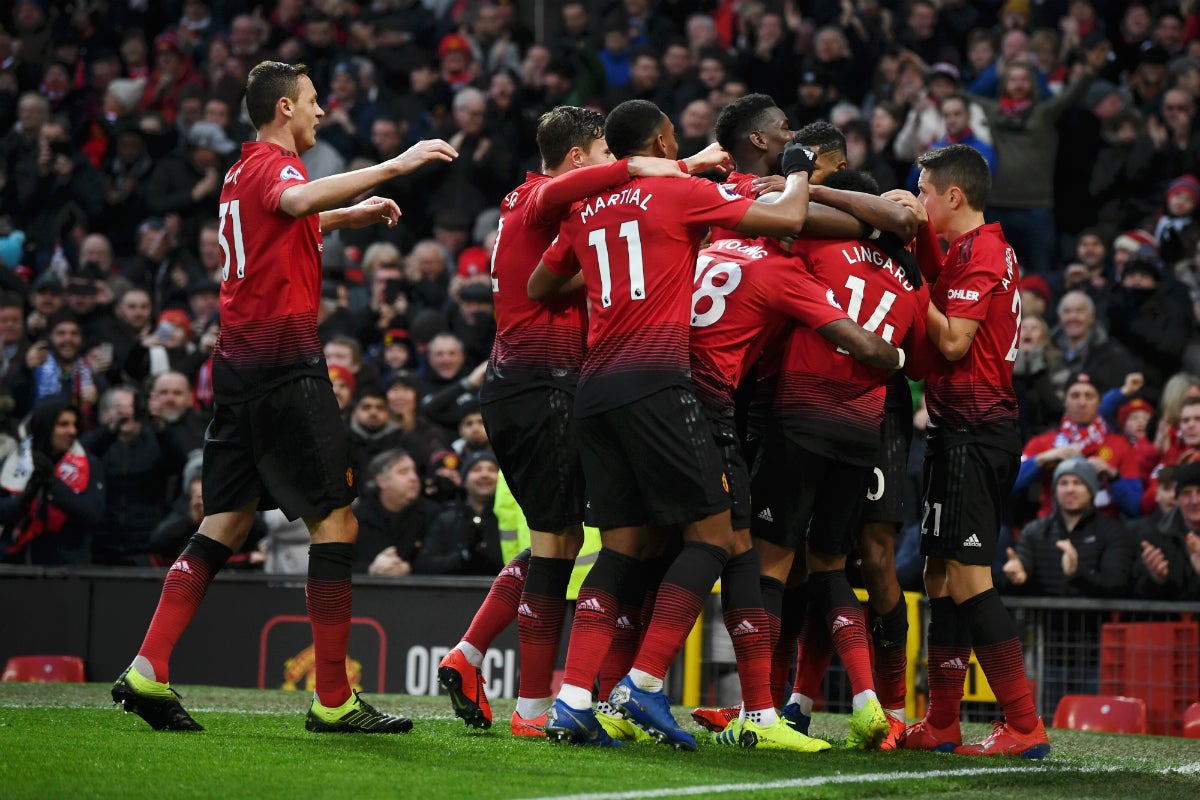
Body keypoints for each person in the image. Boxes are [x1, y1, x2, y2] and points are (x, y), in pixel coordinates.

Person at [111, 61, 457, 733]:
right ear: (281, 109)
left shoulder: (242, 172)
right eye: (312, 102)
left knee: (226, 522)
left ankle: (148, 668)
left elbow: (283, 227)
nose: (321, 112)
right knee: (337, 521)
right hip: (284, 367)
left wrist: (350, 215)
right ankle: (333, 698)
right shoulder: (277, 167)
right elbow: (295, 203)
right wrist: (397, 164)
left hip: (238, 366)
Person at [529, 98, 815, 749]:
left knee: (622, 548)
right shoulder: (681, 194)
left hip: (593, 392)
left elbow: (544, 287)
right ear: (663, 139)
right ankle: (644, 684)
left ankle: (573, 699)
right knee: (716, 534)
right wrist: (796, 168)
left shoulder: (586, 208)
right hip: (657, 385)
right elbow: (790, 216)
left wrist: (607, 286)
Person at [438, 105, 710, 737]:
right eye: (601, 153)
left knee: (550, 540)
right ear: (579, 157)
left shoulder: (529, 201)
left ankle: (471, 653)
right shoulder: (541, 196)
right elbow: (580, 191)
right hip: (545, 384)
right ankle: (533, 706)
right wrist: (664, 164)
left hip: (522, 382)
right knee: (557, 545)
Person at [884, 143, 1050, 758]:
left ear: (953, 195)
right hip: (955, 432)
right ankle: (945, 723)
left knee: (969, 578)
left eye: (924, 190)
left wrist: (907, 268)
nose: (920, 200)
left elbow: (952, 341)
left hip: (977, 432)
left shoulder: (982, 252)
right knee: (938, 576)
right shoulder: (965, 252)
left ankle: (1025, 726)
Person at [1013, 372, 1142, 520]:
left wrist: (1113, 476)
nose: (1082, 402)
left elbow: (1135, 508)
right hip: (1050, 529)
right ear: (1064, 401)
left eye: (1089, 396)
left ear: (1099, 403)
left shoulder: (1119, 444)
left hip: (1103, 530)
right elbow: (1006, 485)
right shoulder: (1043, 443)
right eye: (1075, 396)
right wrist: (1040, 460)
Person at [0, 398, 106, 565]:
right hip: (16, 564)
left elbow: (92, 514)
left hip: (67, 568)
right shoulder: (13, 463)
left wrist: (53, 484)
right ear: (45, 426)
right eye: (63, 424)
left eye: (74, 424)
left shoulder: (89, 464)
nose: (72, 431)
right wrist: (27, 496)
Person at [353, 447, 441, 576]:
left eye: (414, 471)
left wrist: (409, 569)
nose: (413, 478)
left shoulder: (433, 514)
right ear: (381, 481)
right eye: (403, 472)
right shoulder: (357, 518)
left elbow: (439, 564)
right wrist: (371, 570)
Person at [414, 450, 502, 575]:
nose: (484, 474)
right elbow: (424, 565)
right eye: (476, 469)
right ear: (464, 481)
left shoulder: (511, 518)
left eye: (492, 470)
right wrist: (463, 556)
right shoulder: (446, 518)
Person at [1129, 461, 1200, 601]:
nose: (1194, 500)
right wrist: (1156, 579)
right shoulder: (1154, 536)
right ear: (1177, 499)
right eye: (1186, 493)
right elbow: (1136, 596)